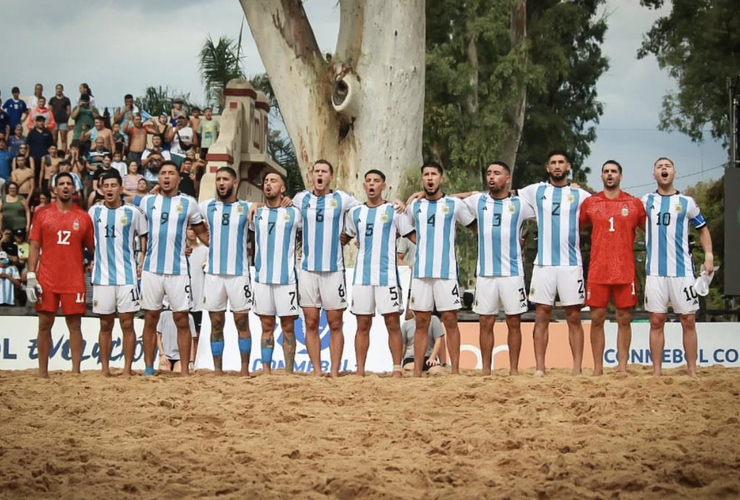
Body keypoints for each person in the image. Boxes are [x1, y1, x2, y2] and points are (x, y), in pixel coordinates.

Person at [517, 150, 591, 376]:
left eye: (561, 162)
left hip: (571, 264)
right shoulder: (536, 190)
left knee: (574, 316)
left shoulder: (581, 195)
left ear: (568, 166)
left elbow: (604, 202)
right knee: (542, 314)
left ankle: (577, 368)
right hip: (544, 265)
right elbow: (501, 193)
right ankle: (540, 367)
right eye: (553, 163)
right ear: (547, 168)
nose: (557, 166)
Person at [642, 157, 713, 377]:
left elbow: (702, 229)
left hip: (682, 271)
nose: (663, 169)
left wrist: (709, 255)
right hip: (655, 271)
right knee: (656, 320)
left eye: (668, 166)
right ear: (654, 174)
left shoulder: (687, 202)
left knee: (688, 319)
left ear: (675, 173)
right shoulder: (646, 200)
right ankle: (656, 371)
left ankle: (692, 369)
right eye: (659, 167)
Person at [463, 162, 535, 375]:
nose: (491, 177)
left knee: (514, 321)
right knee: (485, 322)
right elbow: (450, 200)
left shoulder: (520, 204)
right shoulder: (479, 200)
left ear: (508, 178)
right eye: (489, 173)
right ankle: (486, 370)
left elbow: (546, 210)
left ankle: (513, 370)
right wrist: (420, 194)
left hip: (512, 273)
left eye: (497, 173)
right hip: (485, 273)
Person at [138, 161, 208, 376]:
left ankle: (185, 370)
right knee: (150, 318)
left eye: (171, 173)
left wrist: (221, 244)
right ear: (158, 178)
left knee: (182, 319)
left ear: (179, 179)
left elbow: (203, 234)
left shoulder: (189, 203)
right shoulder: (147, 201)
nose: (166, 177)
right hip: (152, 270)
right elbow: (138, 232)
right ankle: (149, 368)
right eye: (162, 173)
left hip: (178, 271)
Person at [406, 161, 476, 377]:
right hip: (421, 274)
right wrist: (424, 242)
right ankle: (417, 372)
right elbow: (405, 227)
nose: (429, 178)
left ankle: (455, 371)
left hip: (446, 273)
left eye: (434, 174)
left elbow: (474, 226)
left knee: (450, 320)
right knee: (421, 323)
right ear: (422, 180)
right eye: (426, 174)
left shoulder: (454, 204)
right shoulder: (414, 206)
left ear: (441, 178)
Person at [344, 170, 415, 377]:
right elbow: (345, 237)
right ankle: (360, 370)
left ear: (384, 186)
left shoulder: (394, 211)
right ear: (364, 186)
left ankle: (396, 368)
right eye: (368, 181)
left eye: (376, 181)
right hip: (362, 277)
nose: (372, 184)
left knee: (392, 322)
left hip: (388, 276)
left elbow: (413, 236)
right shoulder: (355, 213)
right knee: (362, 323)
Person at [293, 160, 360, 376]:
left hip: (334, 271)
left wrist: (350, 235)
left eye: (324, 172)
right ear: (311, 176)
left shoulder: (342, 198)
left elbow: (365, 212)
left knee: (335, 322)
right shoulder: (300, 198)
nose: (319, 175)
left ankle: (334, 371)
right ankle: (317, 370)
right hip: (308, 271)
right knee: (310, 322)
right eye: (316, 171)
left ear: (331, 176)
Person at [579, 160, 646, 376]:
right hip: (598, 270)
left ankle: (623, 366)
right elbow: (574, 228)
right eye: (606, 171)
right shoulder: (591, 202)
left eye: (614, 171)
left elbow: (651, 231)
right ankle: (597, 368)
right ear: (601, 177)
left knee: (624, 319)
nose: (610, 174)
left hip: (624, 270)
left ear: (621, 176)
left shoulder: (634, 203)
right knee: (597, 319)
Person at [27, 172, 95, 377]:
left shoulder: (83, 217)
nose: (65, 187)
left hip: (73, 279)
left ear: (73, 189)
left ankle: (76, 372)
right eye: (61, 184)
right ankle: (42, 373)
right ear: (54, 189)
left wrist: (94, 265)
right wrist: (31, 275)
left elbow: (93, 249)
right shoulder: (42, 214)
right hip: (47, 277)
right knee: (44, 324)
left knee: (75, 324)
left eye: (69, 184)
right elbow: (34, 245)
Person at [88, 169, 148, 376]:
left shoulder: (133, 212)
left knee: (127, 323)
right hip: (102, 277)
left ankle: (127, 369)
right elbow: (87, 239)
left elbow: (145, 237)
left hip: (127, 276)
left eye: (114, 185)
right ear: (101, 188)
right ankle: (104, 369)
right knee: (105, 324)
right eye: (106, 186)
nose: (110, 189)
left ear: (121, 188)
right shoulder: (94, 212)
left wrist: (141, 261)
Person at [199, 167, 254, 375]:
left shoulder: (247, 207)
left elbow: (265, 208)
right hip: (213, 274)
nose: (221, 183)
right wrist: (205, 241)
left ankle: (244, 369)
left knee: (241, 321)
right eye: (218, 179)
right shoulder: (207, 207)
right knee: (216, 323)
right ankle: (218, 370)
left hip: (239, 273)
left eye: (225, 179)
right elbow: (194, 222)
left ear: (235, 182)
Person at [253, 172, 301, 375]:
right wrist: (254, 204)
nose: (268, 184)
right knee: (266, 326)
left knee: (288, 327)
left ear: (282, 188)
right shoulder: (255, 212)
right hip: (262, 279)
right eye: (265, 181)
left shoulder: (295, 213)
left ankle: (289, 372)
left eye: (273, 181)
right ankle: (266, 371)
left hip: (286, 279)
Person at [185, 225, 207, 369]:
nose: (192, 231)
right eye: (189, 228)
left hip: (199, 297)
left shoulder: (205, 250)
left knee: (197, 332)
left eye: (194, 229)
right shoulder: (180, 251)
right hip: (183, 295)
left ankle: (194, 360)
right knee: (184, 329)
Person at [156, 301, 197, 373]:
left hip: (181, 357)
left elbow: (191, 341)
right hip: (166, 356)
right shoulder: (163, 315)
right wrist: (162, 354)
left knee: (178, 373)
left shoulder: (189, 317)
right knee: (163, 372)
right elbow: (158, 336)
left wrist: (191, 360)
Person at [401, 310, 445, 375]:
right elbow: (403, 345)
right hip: (411, 358)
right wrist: (399, 364)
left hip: (429, 358)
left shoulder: (434, 320)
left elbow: (438, 340)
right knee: (411, 368)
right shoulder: (406, 325)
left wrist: (432, 357)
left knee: (436, 371)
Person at [49, 84, 72, 152]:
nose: (59, 90)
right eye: (57, 88)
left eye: (60, 88)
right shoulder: (52, 99)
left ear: (62, 89)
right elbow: (50, 110)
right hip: (54, 122)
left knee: (63, 139)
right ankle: (54, 152)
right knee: (54, 138)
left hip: (63, 121)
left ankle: (63, 154)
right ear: (55, 89)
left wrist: (66, 118)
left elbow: (69, 110)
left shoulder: (66, 99)